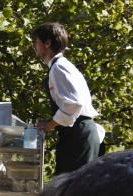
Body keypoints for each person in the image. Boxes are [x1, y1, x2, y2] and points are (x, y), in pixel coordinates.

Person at [31, 22, 102, 174]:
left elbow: (73, 104)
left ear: (47, 43)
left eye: (36, 42)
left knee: (73, 191)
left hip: (78, 136)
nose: (34, 46)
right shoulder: (61, 66)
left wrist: (49, 125)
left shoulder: (59, 68)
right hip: (76, 135)